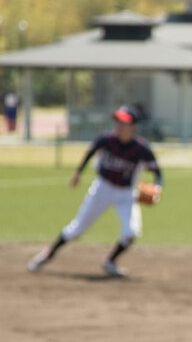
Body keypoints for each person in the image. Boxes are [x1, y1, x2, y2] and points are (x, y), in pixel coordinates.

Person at [27, 105, 163, 278]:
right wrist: (78, 173)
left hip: (126, 194)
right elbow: (90, 153)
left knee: (131, 233)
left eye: (124, 123)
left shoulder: (141, 149)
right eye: (118, 122)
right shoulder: (106, 140)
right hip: (102, 189)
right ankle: (47, 255)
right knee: (76, 230)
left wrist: (158, 188)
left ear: (134, 127)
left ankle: (110, 262)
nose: (119, 126)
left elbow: (158, 173)